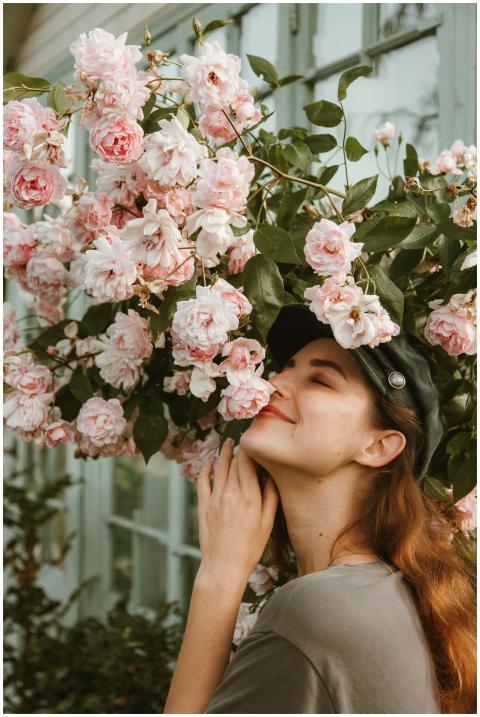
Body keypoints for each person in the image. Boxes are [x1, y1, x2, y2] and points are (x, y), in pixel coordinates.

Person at [164, 304, 477, 715]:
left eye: (320, 380)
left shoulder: (317, 609)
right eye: (286, 367)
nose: (274, 383)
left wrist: (220, 578)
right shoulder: (380, 591)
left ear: (377, 446)